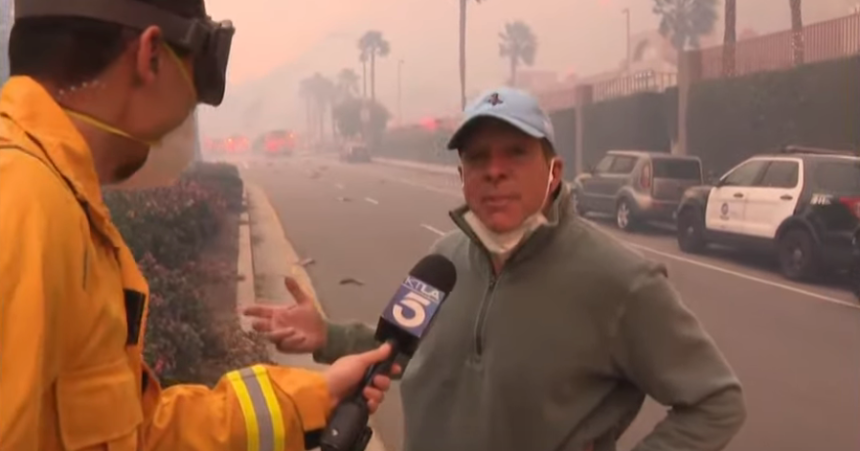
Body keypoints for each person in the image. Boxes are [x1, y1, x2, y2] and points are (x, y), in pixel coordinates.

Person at [244, 87, 748, 451]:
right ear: (462, 177)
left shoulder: (621, 281)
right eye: (478, 157)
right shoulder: (441, 261)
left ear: (555, 172)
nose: (495, 170)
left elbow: (715, 401)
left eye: (516, 153)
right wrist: (325, 335)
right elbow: (396, 349)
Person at [0, 0, 398, 450]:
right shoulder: (22, 198)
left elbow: (133, 436)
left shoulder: (57, 197)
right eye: (200, 71)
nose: (193, 107)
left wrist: (312, 398)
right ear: (150, 56)